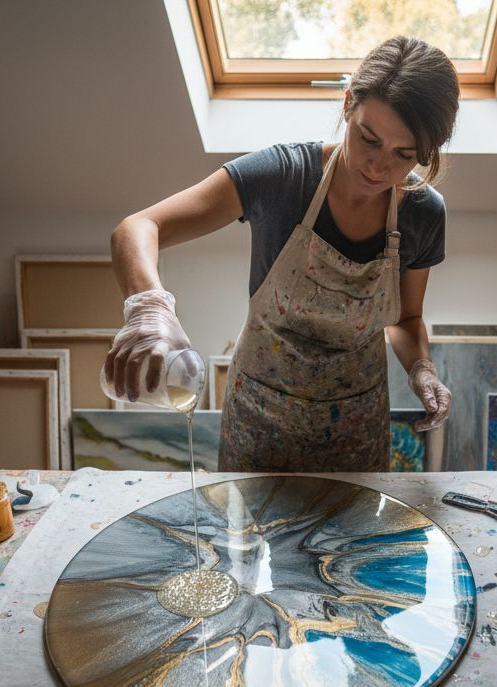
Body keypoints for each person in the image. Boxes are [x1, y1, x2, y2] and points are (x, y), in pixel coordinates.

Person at [104, 36, 458, 472]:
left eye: (404, 155)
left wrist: (421, 369)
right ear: (347, 104)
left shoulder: (423, 213)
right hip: (258, 421)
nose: (378, 166)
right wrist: (149, 308)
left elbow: (405, 320)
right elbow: (137, 228)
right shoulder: (283, 177)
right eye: (367, 138)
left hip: (355, 429)